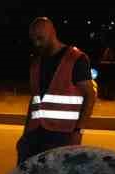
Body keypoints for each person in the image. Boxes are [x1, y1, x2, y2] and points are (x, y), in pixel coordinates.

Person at [17, 16, 96, 164]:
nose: (36, 43)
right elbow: (35, 101)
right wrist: (25, 135)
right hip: (35, 134)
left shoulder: (75, 59)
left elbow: (90, 96)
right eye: (33, 39)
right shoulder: (36, 63)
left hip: (62, 135)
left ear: (52, 32)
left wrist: (78, 131)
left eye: (40, 38)